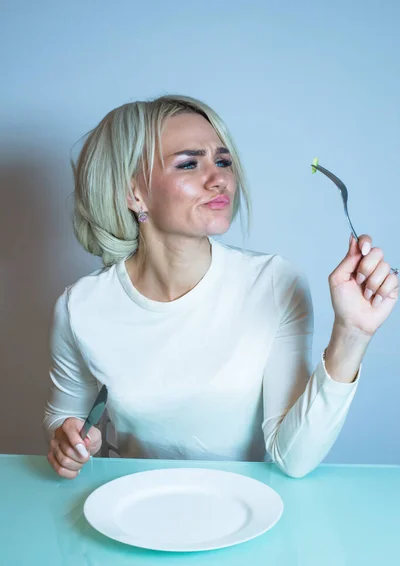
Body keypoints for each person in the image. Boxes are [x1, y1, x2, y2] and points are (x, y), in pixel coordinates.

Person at [44, 94, 398, 479]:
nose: (220, 179)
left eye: (223, 161)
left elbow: (293, 459)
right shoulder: (81, 307)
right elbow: (64, 415)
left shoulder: (275, 283)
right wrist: (67, 441)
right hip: (131, 508)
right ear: (135, 194)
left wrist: (352, 333)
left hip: (246, 514)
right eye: (189, 163)